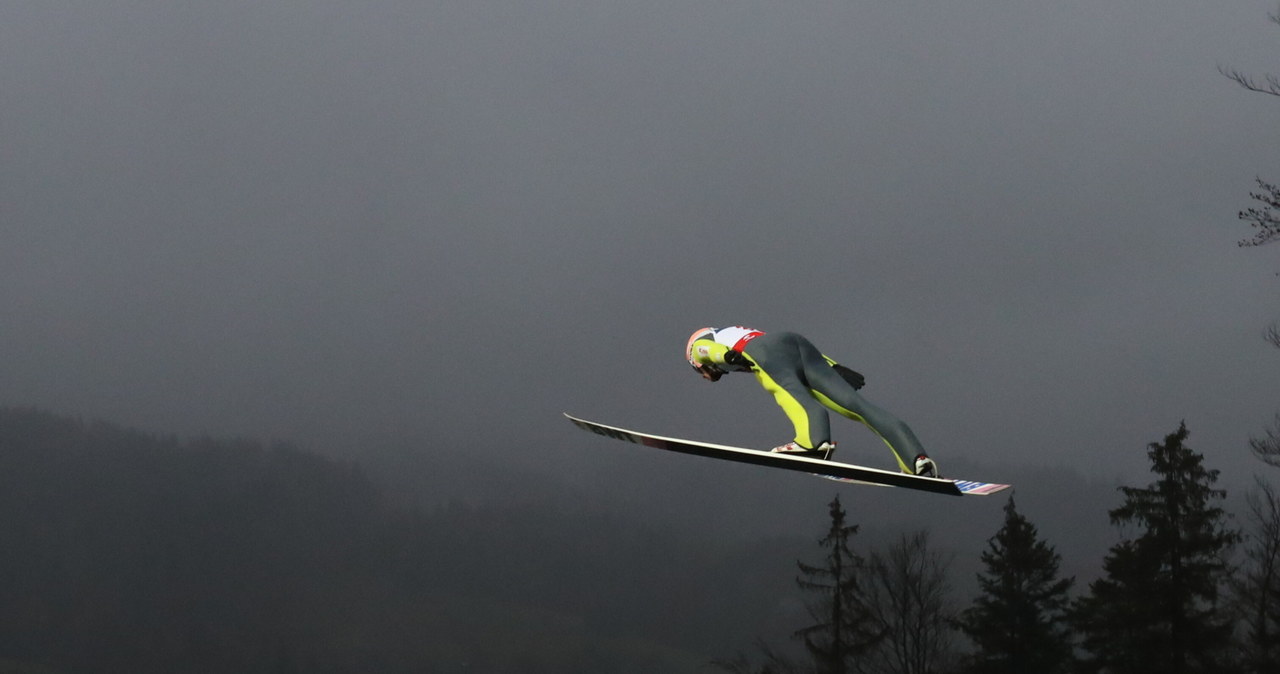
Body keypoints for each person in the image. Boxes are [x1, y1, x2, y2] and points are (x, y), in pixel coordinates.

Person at [685, 326, 939, 477]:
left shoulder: (703, 342)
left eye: (702, 372)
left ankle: (812, 442)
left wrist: (726, 357)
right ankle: (914, 458)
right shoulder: (735, 330)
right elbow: (791, 349)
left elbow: (702, 350)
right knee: (857, 406)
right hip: (796, 344)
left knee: (787, 392)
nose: (708, 376)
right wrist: (834, 367)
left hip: (765, 350)